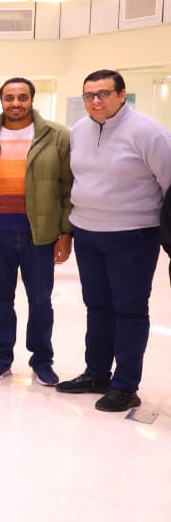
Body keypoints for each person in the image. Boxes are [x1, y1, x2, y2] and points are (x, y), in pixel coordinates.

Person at [58, 70, 171, 412]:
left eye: (103, 94)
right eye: (89, 95)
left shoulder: (149, 132)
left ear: (122, 95)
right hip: (88, 232)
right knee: (97, 305)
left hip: (132, 234)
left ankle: (125, 385)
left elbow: (169, 183)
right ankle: (96, 374)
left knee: (129, 309)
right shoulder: (81, 129)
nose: (96, 101)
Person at [0, 78, 73, 387]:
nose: (16, 103)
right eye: (10, 97)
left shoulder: (57, 137)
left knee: (40, 301)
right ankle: (1, 358)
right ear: (1, 100)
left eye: (22, 97)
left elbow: (69, 188)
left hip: (40, 235)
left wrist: (66, 233)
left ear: (32, 100)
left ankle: (42, 361)